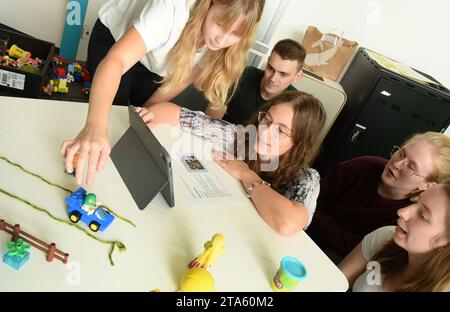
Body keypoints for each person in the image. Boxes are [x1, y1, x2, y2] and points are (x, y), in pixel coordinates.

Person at [61, 0, 265, 185]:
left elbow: (183, 77)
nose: (222, 40)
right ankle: (88, 159)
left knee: (133, 123)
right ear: (207, 4)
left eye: (235, 34)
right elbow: (116, 61)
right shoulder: (171, 8)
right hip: (115, 40)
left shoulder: (223, 45)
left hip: (155, 64)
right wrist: (96, 125)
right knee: (107, 116)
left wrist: (141, 119)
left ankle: (108, 171)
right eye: (220, 24)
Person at [137, 90, 326, 236]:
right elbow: (175, 114)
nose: (265, 131)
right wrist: (149, 116)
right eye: (267, 119)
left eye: (281, 131)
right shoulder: (241, 137)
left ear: (300, 143)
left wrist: (245, 173)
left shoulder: (305, 179)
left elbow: (287, 224)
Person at [307, 132, 450, 261]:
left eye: (411, 167)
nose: (398, 164)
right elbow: (309, 207)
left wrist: (323, 223)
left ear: (428, 186)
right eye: (402, 154)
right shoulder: (361, 166)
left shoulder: (411, 216)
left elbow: (364, 251)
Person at [339, 184, 450, 292]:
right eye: (417, 202)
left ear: (446, 244)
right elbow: (333, 284)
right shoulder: (386, 237)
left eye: (422, 215)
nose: (401, 212)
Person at [219, 39, 306, 123]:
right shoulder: (244, 75)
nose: (273, 78)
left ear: (297, 77)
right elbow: (214, 110)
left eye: (283, 74)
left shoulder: (295, 104)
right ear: (267, 61)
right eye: (270, 68)